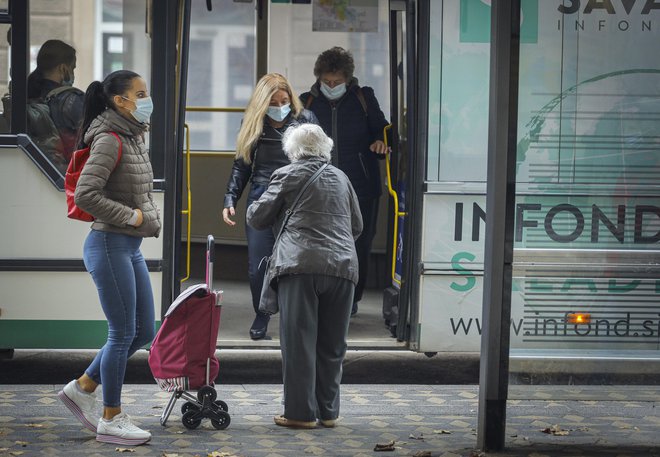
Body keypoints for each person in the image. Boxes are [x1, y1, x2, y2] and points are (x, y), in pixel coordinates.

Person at [57, 70, 160, 446]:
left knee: (144, 331)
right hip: (109, 244)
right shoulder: (110, 138)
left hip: (128, 247)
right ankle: (111, 418)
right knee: (121, 335)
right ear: (121, 101)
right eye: (141, 93)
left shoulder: (132, 135)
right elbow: (85, 193)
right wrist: (131, 216)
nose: (148, 99)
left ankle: (82, 387)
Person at [246, 123, 363, 428]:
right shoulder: (341, 178)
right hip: (343, 268)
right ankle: (328, 412)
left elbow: (257, 217)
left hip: (299, 266)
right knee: (333, 344)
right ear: (326, 147)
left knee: (299, 342)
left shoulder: (287, 174)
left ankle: (299, 413)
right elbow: (358, 226)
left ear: (292, 151)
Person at [222, 72, 318, 340]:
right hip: (263, 196)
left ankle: (295, 317)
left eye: (284, 100)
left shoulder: (306, 120)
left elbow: (323, 161)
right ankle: (261, 313)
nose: (279, 107)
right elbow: (242, 164)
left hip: (298, 198)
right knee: (259, 264)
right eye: (272, 103)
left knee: (297, 262)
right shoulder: (253, 123)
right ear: (261, 104)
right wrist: (230, 198)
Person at [301, 46, 390, 317]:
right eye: (326, 81)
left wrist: (380, 142)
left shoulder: (364, 98)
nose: (331, 86)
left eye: (337, 82)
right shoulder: (307, 102)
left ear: (347, 78)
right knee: (320, 242)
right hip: (320, 187)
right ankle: (325, 296)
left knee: (358, 242)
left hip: (360, 184)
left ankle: (352, 297)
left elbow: (382, 129)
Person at [26, 39, 85, 169]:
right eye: (72, 68)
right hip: (67, 173)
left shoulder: (28, 94)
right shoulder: (72, 100)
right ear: (63, 68)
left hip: (36, 168)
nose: (73, 73)